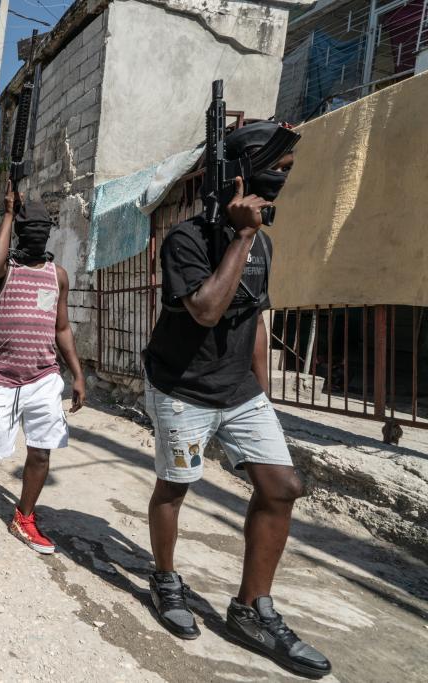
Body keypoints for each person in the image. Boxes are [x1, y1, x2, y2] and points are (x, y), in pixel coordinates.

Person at [142, 121, 331, 678]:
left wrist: (262, 397)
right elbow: (204, 309)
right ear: (241, 176)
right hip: (182, 387)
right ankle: (164, 578)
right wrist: (242, 235)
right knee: (175, 486)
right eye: (275, 170)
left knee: (283, 486)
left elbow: (252, 322)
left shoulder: (264, 246)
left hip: (239, 391)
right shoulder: (185, 240)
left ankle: (252, 607)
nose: (281, 184)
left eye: (288, 173)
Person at [0, 185, 86, 554]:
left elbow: (61, 328)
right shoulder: (7, 270)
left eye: (43, 228)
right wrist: (6, 213)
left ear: (49, 232)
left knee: (42, 450)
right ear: (19, 230)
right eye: (28, 227)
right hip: (2, 376)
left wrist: (76, 374)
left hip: (44, 376)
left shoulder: (57, 275)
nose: (37, 234)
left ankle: (24, 516)